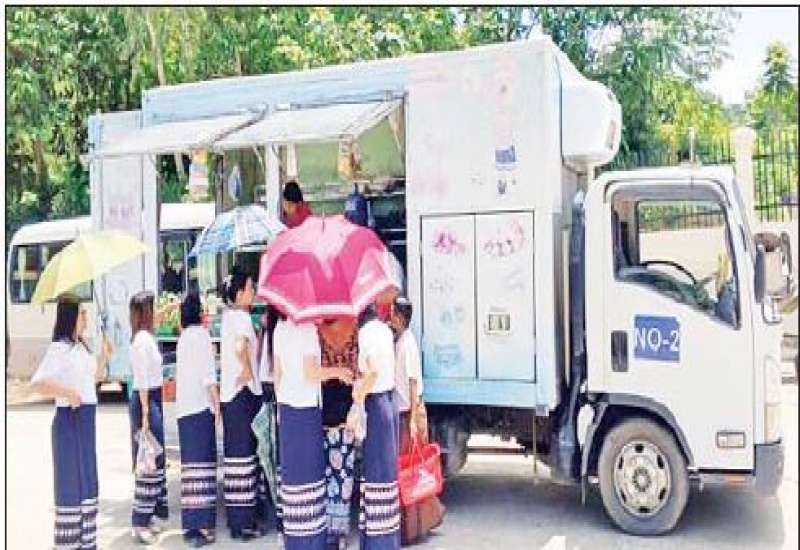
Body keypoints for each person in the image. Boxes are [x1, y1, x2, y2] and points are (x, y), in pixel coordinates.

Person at [30, 293, 112, 550]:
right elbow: (38, 384)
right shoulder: (59, 349)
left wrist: (104, 356)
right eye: (82, 313)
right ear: (71, 317)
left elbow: (93, 379)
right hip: (69, 421)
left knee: (87, 481)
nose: (86, 317)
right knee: (71, 484)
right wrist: (67, 393)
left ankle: (86, 542)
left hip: (85, 422)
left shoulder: (81, 348)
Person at [273, 316, 353, 550]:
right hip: (306, 409)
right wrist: (338, 371)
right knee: (309, 474)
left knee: (293, 477)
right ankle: (310, 541)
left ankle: (294, 539)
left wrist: (280, 407)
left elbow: (277, 374)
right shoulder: (306, 330)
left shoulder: (280, 328)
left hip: (287, 408)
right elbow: (310, 372)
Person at [389, 297, 445, 545]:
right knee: (411, 469)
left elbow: (412, 382)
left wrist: (413, 418)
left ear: (400, 317)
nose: (389, 318)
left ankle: (414, 527)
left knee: (409, 470)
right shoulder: (401, 340)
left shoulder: (408, 343)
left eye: (392, 313)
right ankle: (419, 523)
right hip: (405, 410)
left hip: (409, 411)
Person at [219, 268, 265, 541]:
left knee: (235, 458)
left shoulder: (228, 317)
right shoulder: (242, 318)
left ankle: (238, 520)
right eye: (249, 287)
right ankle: (245, 523)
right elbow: (240, 346)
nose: (253, 291)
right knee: (246, 457)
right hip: (243, 394)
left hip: (231, 396)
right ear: (238, 293)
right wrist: (247, 369)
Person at [352, 305, 401, 550]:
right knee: (386, 476)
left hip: (376, 405)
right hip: (389, 403)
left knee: (375, 473)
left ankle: (376, 543)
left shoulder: (365, 334)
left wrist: (358, 396)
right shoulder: (384, 330)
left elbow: (372, 372)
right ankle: (387, 540)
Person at [176, 292, 221, 547]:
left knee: (190, 469)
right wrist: (217, 404)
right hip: (201, 408)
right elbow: (208, 376)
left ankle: (191, 524)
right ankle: (204, 526)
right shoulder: (202, 337)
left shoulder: (183, 339)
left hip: (184, 410)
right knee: (204, 466)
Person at [128, 290, 168, 545]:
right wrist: (145, 412)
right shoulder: (142, 340)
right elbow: (142, 378)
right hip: (146, 400)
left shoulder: (144, 336)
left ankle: (149, 513)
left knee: (156, 458)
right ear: (146, 313)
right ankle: (139, 521)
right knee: (149, 461)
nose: (156, 313)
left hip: (151, 398)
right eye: (153, 308)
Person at [318, 318, 360, 549]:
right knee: (344, 473)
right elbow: (358, 372)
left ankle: (326, 529)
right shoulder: (354, 332)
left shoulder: (318, 333)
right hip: (346, 408)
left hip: (324, 408)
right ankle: (340, 532)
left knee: (325, 471)